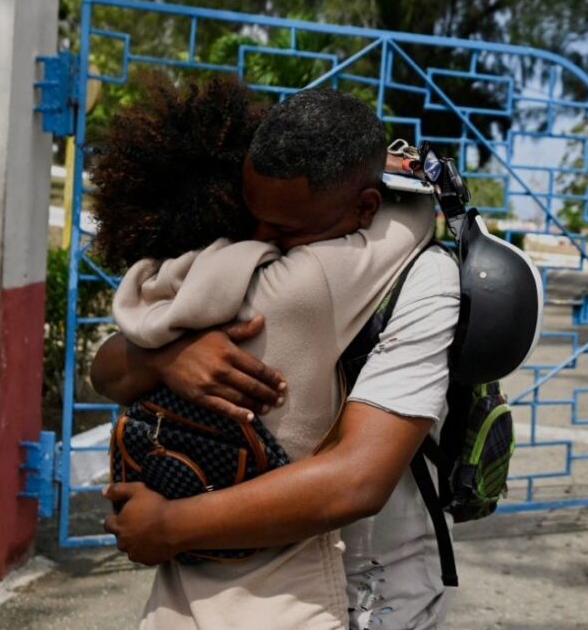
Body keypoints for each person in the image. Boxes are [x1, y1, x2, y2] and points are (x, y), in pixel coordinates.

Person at [92, 84, 461, 629]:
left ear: (365, 208)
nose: (261, 240)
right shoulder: (255, 253)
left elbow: (358, 479)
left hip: (371, 592)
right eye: (252, 216)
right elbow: (107, 368)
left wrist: (172, 526)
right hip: (218, 587)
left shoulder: (421, 279)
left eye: (284, 229)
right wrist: (168, 359)